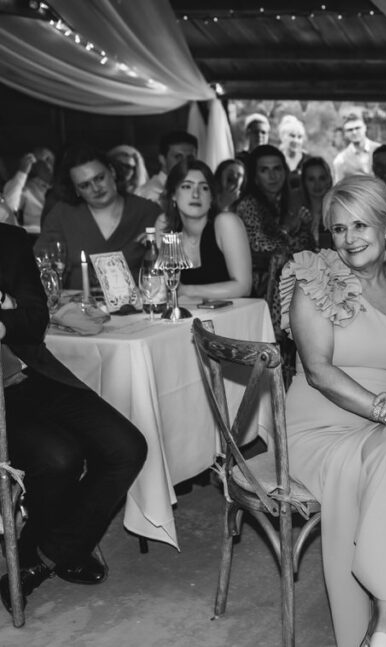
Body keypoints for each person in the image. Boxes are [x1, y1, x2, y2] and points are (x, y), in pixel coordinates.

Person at [280, 175, 386, 647]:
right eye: (338, 229)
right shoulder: (315, 280)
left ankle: (383, 626)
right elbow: (317, 371)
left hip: (384, 426)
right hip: (319, 424)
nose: (350, 238)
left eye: (361, 225)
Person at [0, 223, 147, 612]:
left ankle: (44, 553)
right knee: (59, 458)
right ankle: (57, 550)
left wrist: (4, 310)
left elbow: (34, 321)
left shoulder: (10, 240)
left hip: (32, 376)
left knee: (126, 447)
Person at [37, 146, 163, 288]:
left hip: (140, 306)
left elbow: (171, 267)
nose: (96, 188)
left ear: (113, 172)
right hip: (77, 305)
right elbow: (43, 266)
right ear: (76, 190)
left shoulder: (148, 212)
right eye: (85, 185)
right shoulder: (61, 215)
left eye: (99, 178)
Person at [236, 144, 314, 301]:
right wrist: (289, 228)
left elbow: (306, 247)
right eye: (264, 170)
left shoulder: (289, 201)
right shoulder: (249, 205)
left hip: (287, 288)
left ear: (285, 171)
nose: (272, 176)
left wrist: (303, 226)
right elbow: (263, 246)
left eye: (277, 169)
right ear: (255, 177)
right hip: (258, 292)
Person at [165, 160, 252, 299]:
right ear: (173, 195)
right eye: (187, 187)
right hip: (192, 317)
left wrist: (185, 291)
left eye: (204, 188)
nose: (196, 194)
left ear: (212, 197)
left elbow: (243, 287)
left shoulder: (226, 223)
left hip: (235, 315)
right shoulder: (169, 230)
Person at [135, 131, 198, 207]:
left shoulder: (196, 190)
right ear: (162, 159)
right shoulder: (150, 194)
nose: (184, 163)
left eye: (190, 158)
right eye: (178, 157)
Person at [3, 148, 54, 232]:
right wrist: (22, 172)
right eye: (41, 162)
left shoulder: (69, 183)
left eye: (49, 159)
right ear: (34, 168)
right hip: (37, 235)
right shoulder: (27, 188)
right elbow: (8, 209)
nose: (47, 165)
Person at [293, 156, 334, 250]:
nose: (317, 185)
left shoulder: (339, 211)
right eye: (311, 179)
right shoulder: (295, 212)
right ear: (304, 182)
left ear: (328, 180)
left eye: (322, 178)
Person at [332, 112, 380, 182]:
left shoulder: (380, 150)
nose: (354, 132)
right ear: (345, 134)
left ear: (365, 128)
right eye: (350, 130)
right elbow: (339, 188)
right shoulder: (341, 160)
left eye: (358, 128)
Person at [277, 115, 308, 190]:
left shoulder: (308, 160)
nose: (296, 141)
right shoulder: (275, 159)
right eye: (292, 136)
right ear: (282, 136)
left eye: (299, 137)